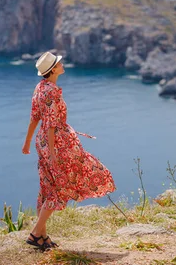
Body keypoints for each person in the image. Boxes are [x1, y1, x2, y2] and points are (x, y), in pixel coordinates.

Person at [21, 51, 116, 250]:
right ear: (53, 69)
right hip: (57, 143)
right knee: (60, 186)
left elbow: (35, 118)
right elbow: (51, 125)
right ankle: (35, 233)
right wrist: (54, 153)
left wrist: (28, 142)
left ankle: (43, 238)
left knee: (48, 187)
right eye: (58, 62)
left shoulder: (40, 88)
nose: (62, 63)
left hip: (43, 142)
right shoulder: (52, 92)